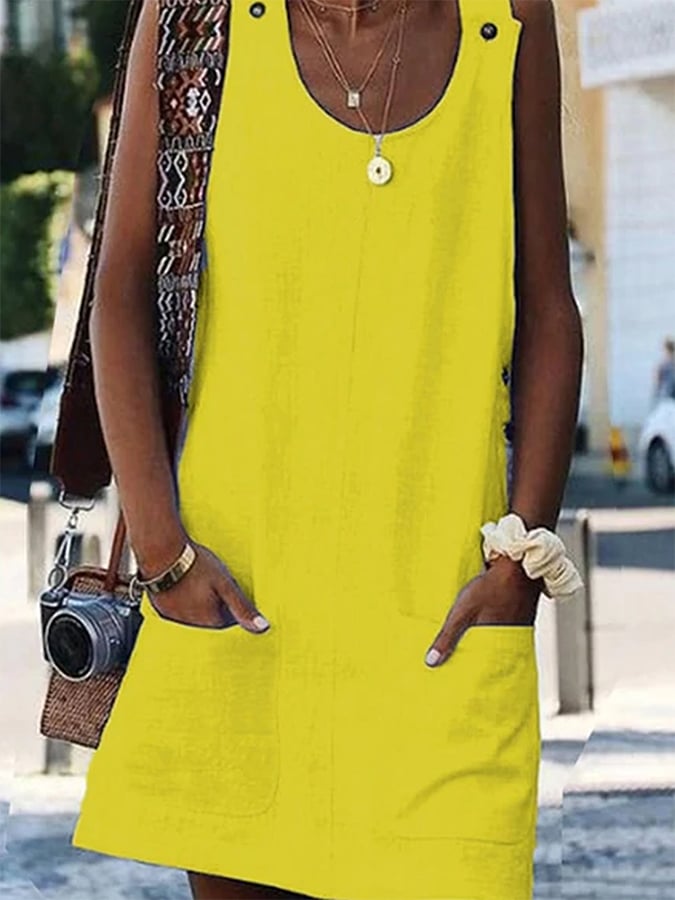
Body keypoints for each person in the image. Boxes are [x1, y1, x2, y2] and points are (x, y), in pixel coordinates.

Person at [69, 0, 584, 898]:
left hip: (442, 627)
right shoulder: (193, 18)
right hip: (235, 608)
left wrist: (520, 561)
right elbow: (119, 287)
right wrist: (162, 552)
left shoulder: (508, 19)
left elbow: (546, 304)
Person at [654, 338, 675, 402]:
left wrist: (656, 395)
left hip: (667, 394)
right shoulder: (665, 364)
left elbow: (658, 381)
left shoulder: (663, 365)